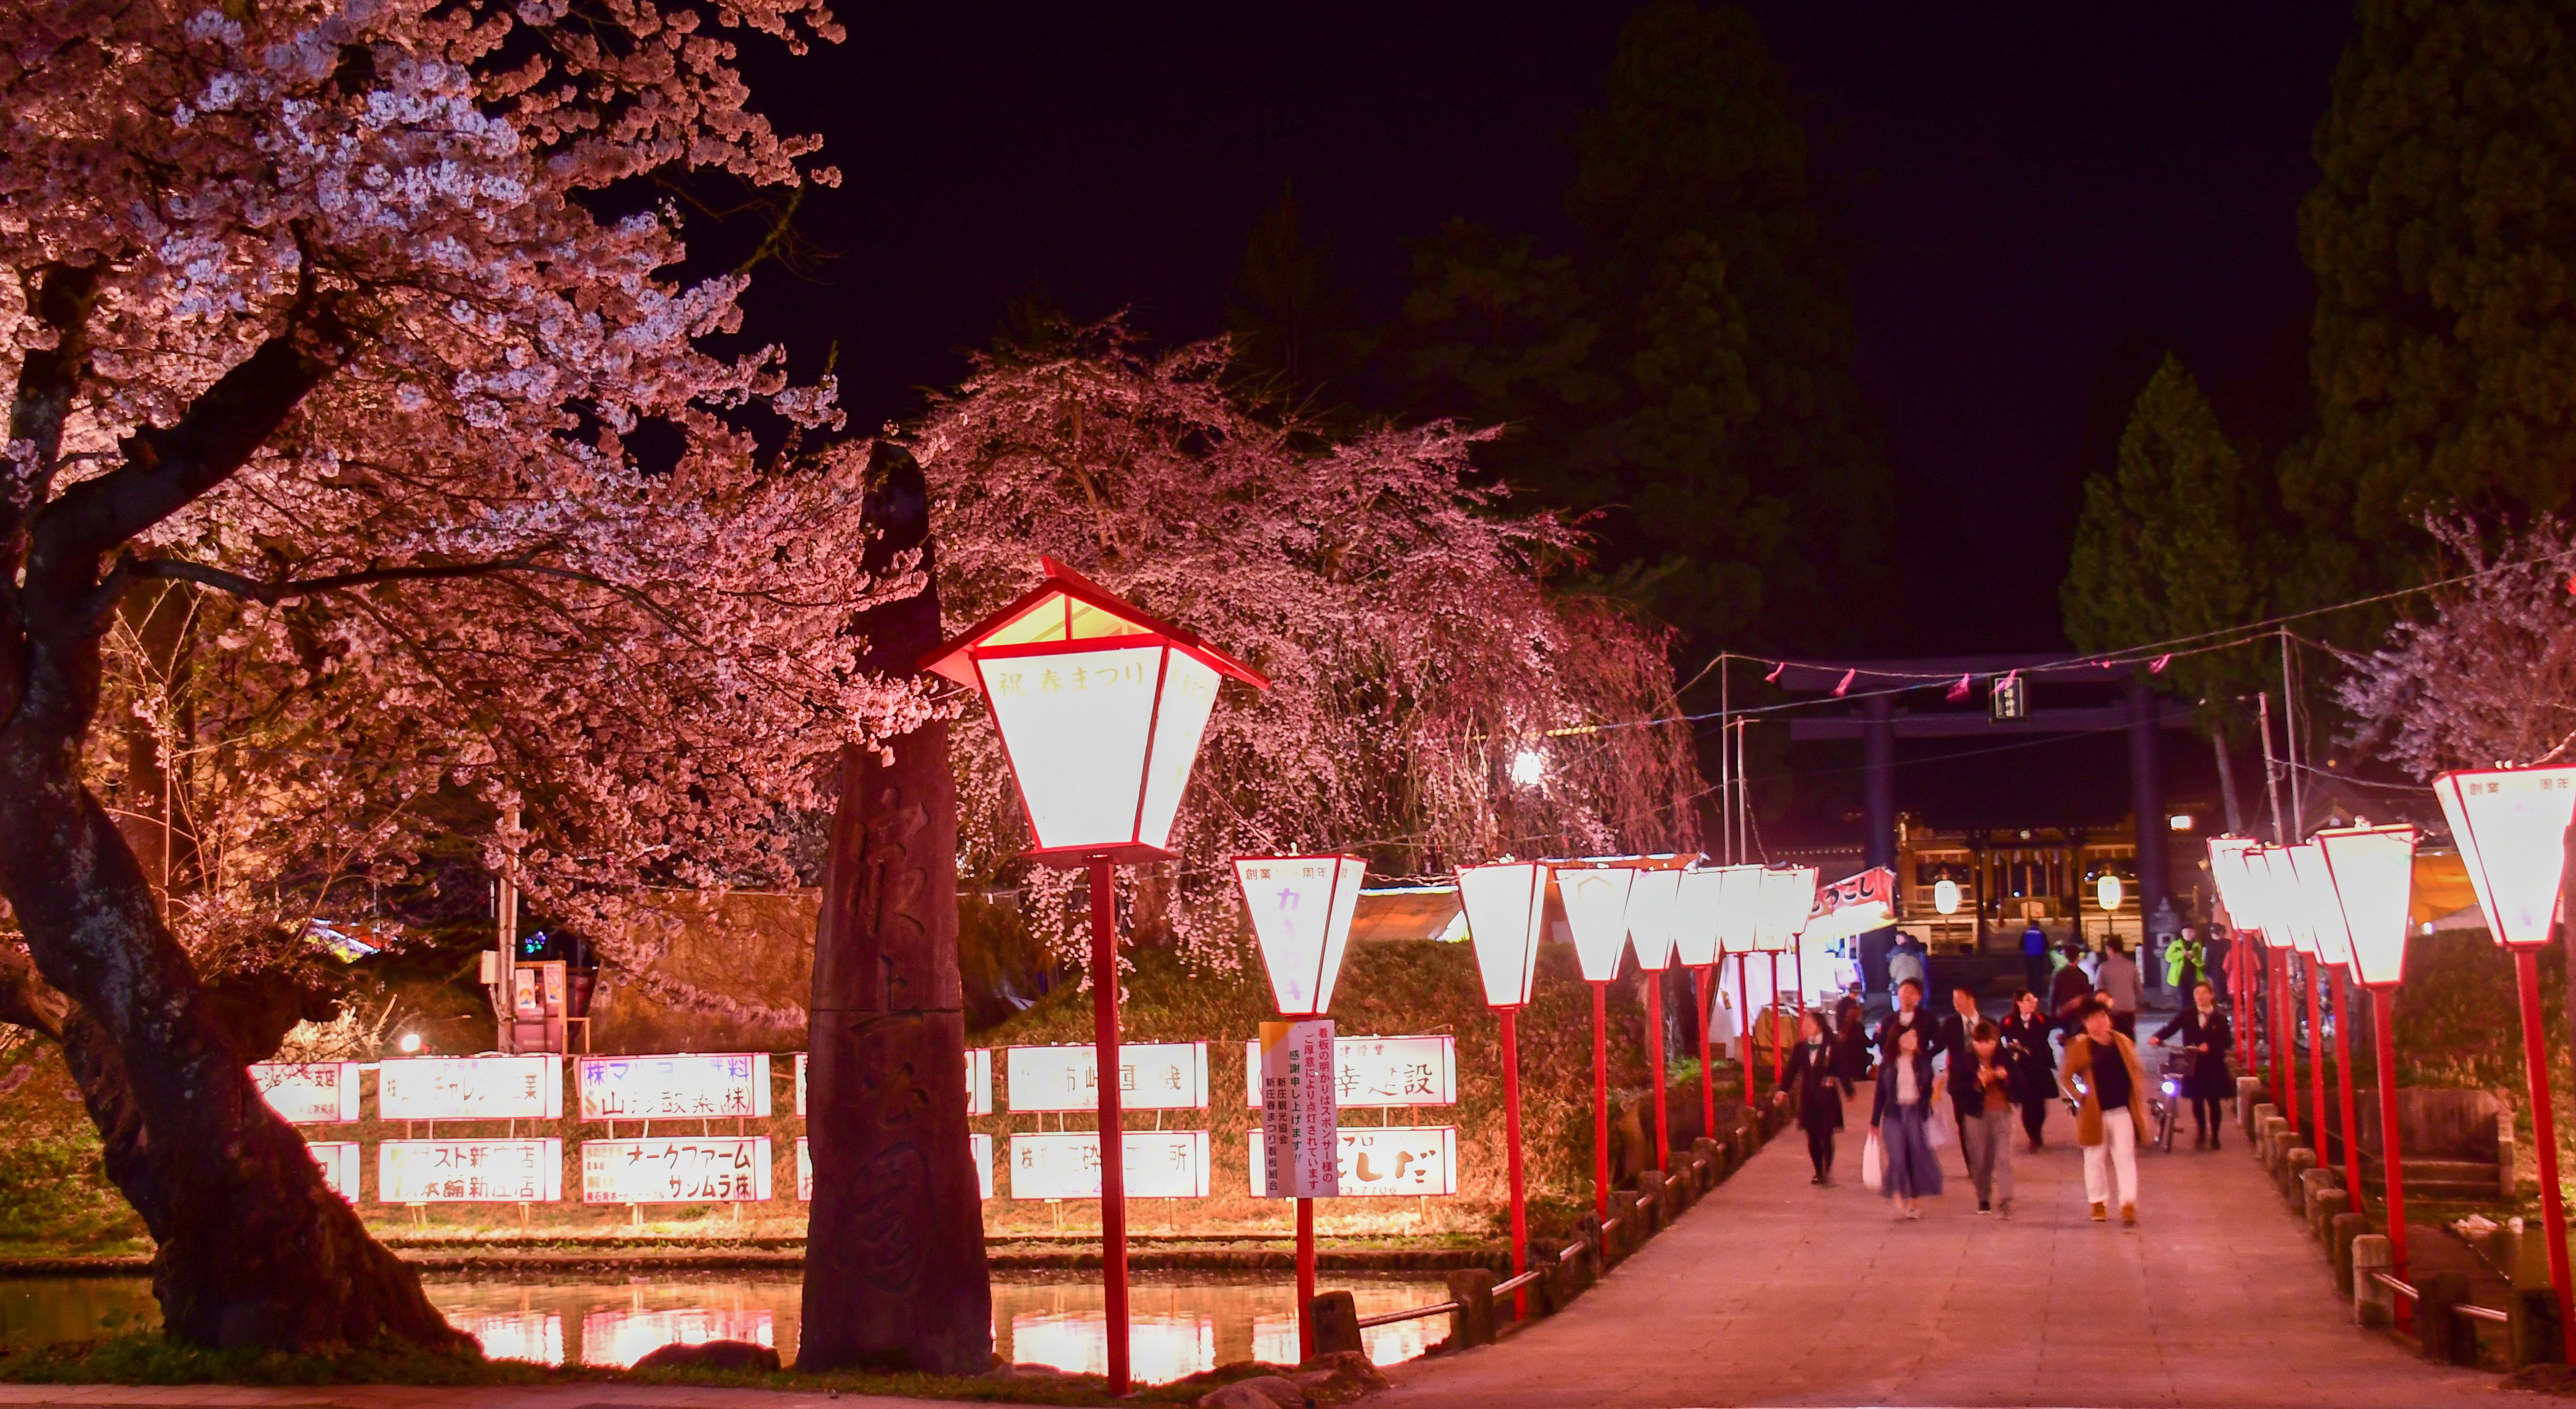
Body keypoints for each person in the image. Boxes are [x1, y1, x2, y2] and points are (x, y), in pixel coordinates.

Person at [2060, 998, 2149, 1226]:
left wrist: (2137, 1095)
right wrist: (2081, 1098)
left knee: (2125, 1157)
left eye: (2104, 1017)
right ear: (2086, 1023)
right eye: (2095, 1019)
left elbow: (2136, 1069)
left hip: (2122, 1109)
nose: (2101, 1022)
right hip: (2094, 1113)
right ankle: (2098, 1202)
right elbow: (2066, 1076)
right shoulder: (2080, 1046)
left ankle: (2128, 1203)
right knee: (2094, 1159)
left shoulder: (2122, 1042)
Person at [1871, 1025, 1943, 1218]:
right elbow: (1880, 1094)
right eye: (1907, 1038)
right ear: (1897, 1041)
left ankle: (1913, 1201)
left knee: (1916, 1157)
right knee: (1897, 1157)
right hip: (1894, 1115)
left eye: (1914, 1037)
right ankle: (1897, 1196)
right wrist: (1874, 1122)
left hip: (1915, 1114)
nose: (1912, 1041)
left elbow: (1928, 1092)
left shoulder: (1922, 1063)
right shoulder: (1888, 1065)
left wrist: (1934, 1089)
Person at [2152, 980, 2235, 1149]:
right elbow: (2171, 1028)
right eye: (2197, 993)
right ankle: (2201, 1131)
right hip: (2193, 1063)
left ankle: (2215, 1136)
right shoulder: (2188, 1014)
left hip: (2214, 1064)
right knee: (2197, 1101)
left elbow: (2227, 1041)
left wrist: (2210, 1046)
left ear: (2211, 996)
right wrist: (2158, 1037)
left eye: (2204, 993)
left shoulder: (2219, 1018)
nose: (2200, 997)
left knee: (2214, 1101)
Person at [1779, 1009, 1849, 1184]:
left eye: (1809, 1024)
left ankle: (1827, 1168)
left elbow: (1841, 1069)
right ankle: (1818, 1171)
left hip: (1827, 1098)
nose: (1805, 1028)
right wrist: (1783, 1090)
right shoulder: (1801, 1048)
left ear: (1819, 1026)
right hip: (1808, 1098)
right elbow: (1791, 1071)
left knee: (1826, 1134)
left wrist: (1849, 1090)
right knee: (1812, 1136)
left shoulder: (1832, 1045)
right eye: (1804, 1024)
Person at [1958, 1020, 2017, 1215]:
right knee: (1981, 1159)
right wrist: (1978, 1082)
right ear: (1974, 1043)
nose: (1985, 1047)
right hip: (1976, 1115)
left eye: (1989, 1042)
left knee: (2003, 1157)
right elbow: (1957, 1088)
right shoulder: (1966, 1061)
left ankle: (2006, 1198)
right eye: (1980, 1043)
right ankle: (1983, 1197)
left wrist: (2005, 1077)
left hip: (2001, 1112)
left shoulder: (2004, 1057)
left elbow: (2021, 1081)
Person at [1997, 989, 2056, 1152]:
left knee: (2040, 1103)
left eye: (2034, 999)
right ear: (2019, 1003)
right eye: (2028, 1000)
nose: (2033, 1003)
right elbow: (1997, 1039)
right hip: (2021, 1068)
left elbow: (2060, 1023)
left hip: (2040, 1066)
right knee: (2028, 1104)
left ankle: (2038, 1131)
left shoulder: (2042, 1020)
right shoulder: (2009, 1022)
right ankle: (2033, 1136)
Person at [1942, 983, 1983, 1148]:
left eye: (1959, 1000)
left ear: (1971, 1000)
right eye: (1954, 1000)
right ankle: (1972, 1165)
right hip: (1959, 1082)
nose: (1956, 1004)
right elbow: (1937, 1046)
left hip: (1983, 1080)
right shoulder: (1950, 1024)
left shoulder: (1987, 1023)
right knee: (1964, 1125)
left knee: (1983, 1123)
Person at [1877, 977, 1935, 1057]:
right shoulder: (1889, 1019)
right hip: (1895, 1067)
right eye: (1905, 991)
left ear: (1919, 997)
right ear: (1898, 993)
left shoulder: (1927, 1018)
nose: (1907, 995)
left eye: (1912, 993)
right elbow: (1882, 1044)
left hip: (1919, 1067)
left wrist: (1926, 1056)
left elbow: (1939, 1043)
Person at [2096, 938, 2142, 1040]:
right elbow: (2139, 989)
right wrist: (2140, 1004)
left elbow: (2099, 991)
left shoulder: (2104, 967)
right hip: (2129, 1010)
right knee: (2128, 1039)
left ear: (2110, 950)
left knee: (2113, 1039)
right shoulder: (2132, 966)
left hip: (2111, 1011)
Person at [2048, 945, 2094, 1036]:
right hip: (2079, 1014)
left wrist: (2053, 1014)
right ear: (2078, 957)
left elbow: (2054, 996)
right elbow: (2088, 996)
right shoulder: (2082, 976)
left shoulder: (2060, 975)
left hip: (2064, 1013)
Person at [1831, 994, 1874, 1086]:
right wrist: (1877, 1034)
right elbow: (1869, 1044)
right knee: (1870, 1057)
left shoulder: (1843, 1027)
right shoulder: (1858, 1028)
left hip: (1846, 1061)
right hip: (1858, 1060)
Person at [1886, 936, 1928, 1000]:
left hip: (1900, 984)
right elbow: (1921, 975)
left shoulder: (1897, 958)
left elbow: (1893, 974)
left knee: (1899, 1003)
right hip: (1914, 984)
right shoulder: (1917, 958)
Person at [2020, 918, 2049, 999]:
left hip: (2028, 957)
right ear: (2038, 926)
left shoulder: (2025, 934)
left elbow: (2021, 946)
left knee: (2030, 975)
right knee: (2038, 976)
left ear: (2030, 925)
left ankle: (2030, 992)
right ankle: (2038, 993)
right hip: (2039, 957)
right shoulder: (2041, 934)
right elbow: (2046, 945)